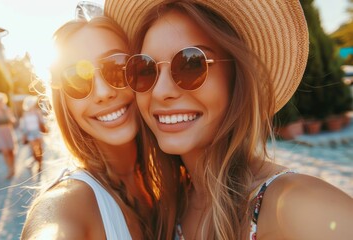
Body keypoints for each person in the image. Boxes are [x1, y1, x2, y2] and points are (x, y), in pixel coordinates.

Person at [105, 0, 353, 239]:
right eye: (145, 70)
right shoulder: (167, 208)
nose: (160, 91)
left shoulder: (293, 205)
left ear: (237, 79)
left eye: (190, 65)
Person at [21, 12, 182, 240]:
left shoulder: (177, 175)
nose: (103, 93)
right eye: (76, 79)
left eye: (117, 67)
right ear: (64, 103)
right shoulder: (69, 203)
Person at [0, 92, 17, 179]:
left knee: (11, 151)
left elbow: (13, 121)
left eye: (1, 101)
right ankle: (9, 169)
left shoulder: (7, 110)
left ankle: (13, 168)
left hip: (8, 131)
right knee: (4, 151)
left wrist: (8, 114)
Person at [19, 95, 45, 172]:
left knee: (40, 149)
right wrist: (24, 135)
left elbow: (42, 122)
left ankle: (40, 165)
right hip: (30, 133)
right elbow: (23, 125)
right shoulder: (25, 113)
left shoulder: (37, 112)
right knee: (33, 150)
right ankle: (36, 161)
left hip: (38, 132)